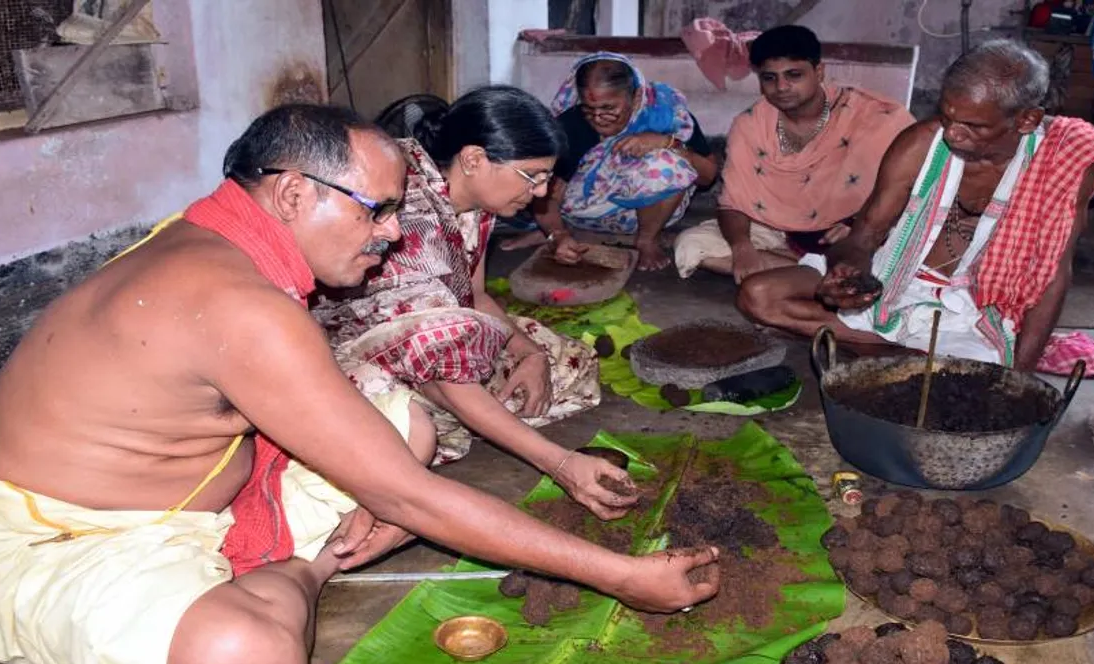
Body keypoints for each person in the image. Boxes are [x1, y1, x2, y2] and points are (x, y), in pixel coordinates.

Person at [0, 105, 720, 664]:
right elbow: (406, 497)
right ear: (295, 192)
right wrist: (623, 576)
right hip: (57, 536)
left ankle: (276, 561)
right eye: (375, 210)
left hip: (197, 497)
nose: (391, 232)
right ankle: (309, 568)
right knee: (247, 655)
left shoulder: (217, 240)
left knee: (407, 423)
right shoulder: (239, 302)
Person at [315, 86, 629, 512]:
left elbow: (475, 295)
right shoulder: (412, 218)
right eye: (532, 176)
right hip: (354, 352)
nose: (540, 193)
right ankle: (454, 421)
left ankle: (480, 415)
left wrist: (531, 354)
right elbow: (436, 358)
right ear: (474, 159)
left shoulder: (474, 200)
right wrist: (559, 463)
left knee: (563, 361)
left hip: (440, 335)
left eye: (545, 178)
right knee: (411, 424)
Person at [738, 40, 1094, 371]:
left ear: (1026, 120)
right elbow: (867, 232)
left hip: (974, 305)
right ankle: (911, 357)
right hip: (894, 276)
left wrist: (1019, 374)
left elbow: (1053, 275)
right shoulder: (921, 143)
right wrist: (846, 271)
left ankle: (899, 355)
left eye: (973, 126)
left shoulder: (1061, 164)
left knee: (987, 369)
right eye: (948, 115)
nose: (953, 132)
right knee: (758, 296)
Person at [674, 25, 914, 283]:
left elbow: (918, 185)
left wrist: (861, 224)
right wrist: (742, 248)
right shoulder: (751, 125)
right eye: (769, 78)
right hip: (779, 231)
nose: (781, 87)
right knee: (690, 245)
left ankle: (804, 276)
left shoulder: (876, 117)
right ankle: (822, 277)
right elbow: (733, 202)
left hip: (856, 234)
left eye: (794, 75)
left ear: (819, 72)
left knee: (898, 253)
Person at [527, 52, 719, 271]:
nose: (598, 118)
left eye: (608, 108)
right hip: (586, 215)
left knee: (666, 163)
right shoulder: (570, 125)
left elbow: (707, 177)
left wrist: (666, 142)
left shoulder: (667, 116)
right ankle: (572, 232)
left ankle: (647, 239)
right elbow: (542, 194)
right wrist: (557, 235)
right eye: (589, 109)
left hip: (656, 215)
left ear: (636, 97)